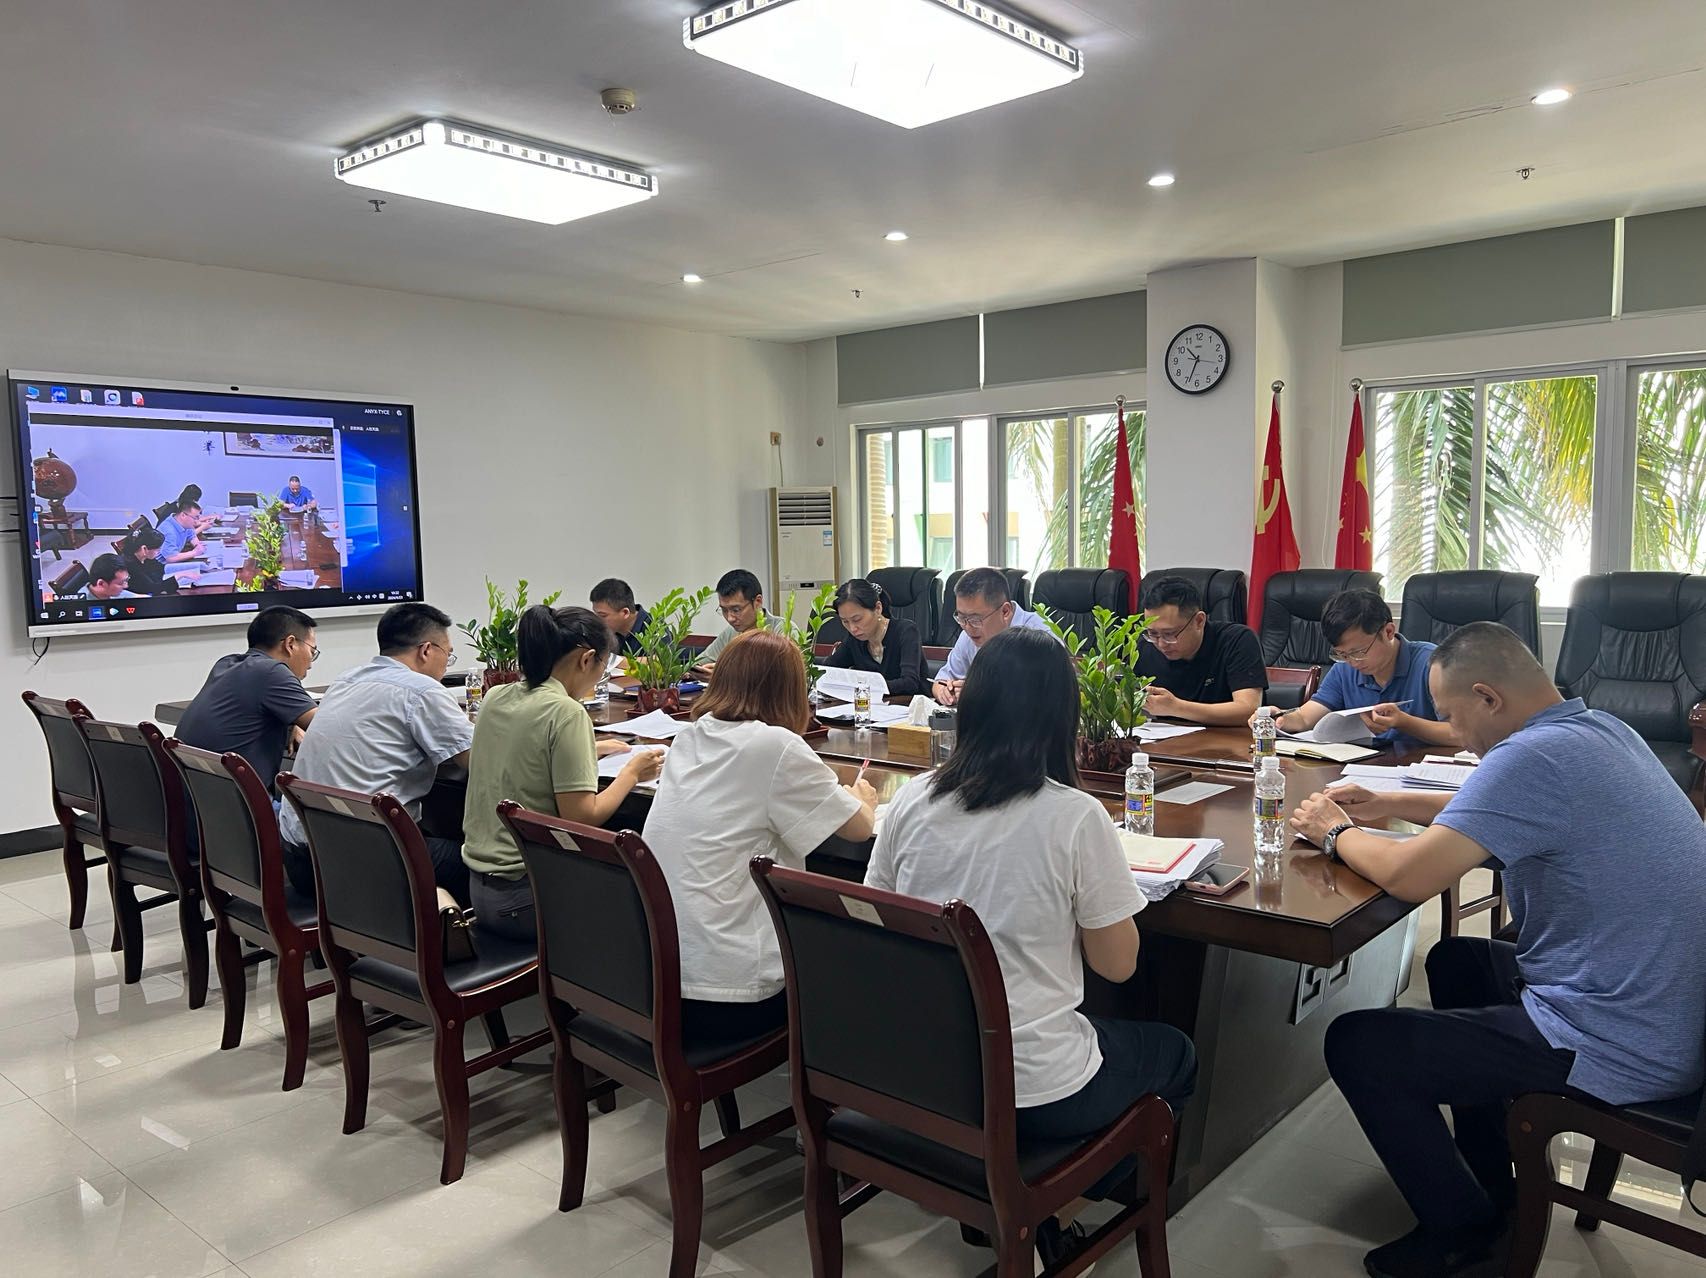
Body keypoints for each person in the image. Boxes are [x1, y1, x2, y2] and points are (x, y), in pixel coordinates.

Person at [1287, 622, 1706, 1278]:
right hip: (1669, 1012)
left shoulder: (1531, 758)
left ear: (1488, 697)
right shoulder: (1600, 730)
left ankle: (1467, 1237)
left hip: (1619, 1039)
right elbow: (1496, 806)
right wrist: (1387, 802)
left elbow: (1411, 876)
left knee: (1360, 1045)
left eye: (1454, 717)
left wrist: (1334, 831)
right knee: (1457, 961)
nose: (1455, 734)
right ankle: (1492, 1178)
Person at [868, 627, 1197, 1265]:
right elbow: (1118, 966)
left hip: (927, 1072)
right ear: (1061, 718)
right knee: (1175, 1056)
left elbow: (883, 920)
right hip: (1033, 1089)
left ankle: (1019, 1209)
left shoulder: (912, 799)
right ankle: (1046, 1214)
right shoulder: (1074, 815)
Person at [646, 630, 877, 1040]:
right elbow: (859, 829)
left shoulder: (690, 735)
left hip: (656, 980)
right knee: (860, 948)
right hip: (731, 995)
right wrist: (863, 799)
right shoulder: (775, 745)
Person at [461, 605, 664, 940]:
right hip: (529, 897)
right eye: (602, 667)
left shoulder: (497, 696)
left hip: (481, 891)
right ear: (587, 659)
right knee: (651, 891)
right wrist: (631, 773)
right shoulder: (566, 712)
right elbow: (582, 817)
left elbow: (523, 750)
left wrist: (590, 749)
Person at [277, 603, 473, 900]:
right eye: (448, 654)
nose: (447, 665)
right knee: (491, 870)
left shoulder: (345, 680)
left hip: (303, 860)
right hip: (363, 866)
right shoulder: (422, 690)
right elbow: (479, 761)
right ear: (426, 650)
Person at [1252, 589, 1457, 748]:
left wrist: (1404, 723)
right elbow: (1306, 717)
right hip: (1363, 770)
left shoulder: (1433, 664)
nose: (1352, 662)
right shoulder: (1343, 670)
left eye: (1358, 652)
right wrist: (1279, 718)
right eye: (1341, 654)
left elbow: (1459, 733)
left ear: (1388, 632)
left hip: (1424, 774)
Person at [176, 606, 318, 792]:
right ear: (290, 644)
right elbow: (326, 728)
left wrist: (293, 720)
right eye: (312, 651)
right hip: (242, 803)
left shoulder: (226, 663)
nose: (311, 664)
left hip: (199, 799)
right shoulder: (272, 672)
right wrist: (297, 717)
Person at [1136, 576, 1267, 725]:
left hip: (1227, 737)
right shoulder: (1144, 647)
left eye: (1169, 634)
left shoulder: (1237, 640)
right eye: (1153, 633)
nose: (1161, 643)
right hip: (1166, 738)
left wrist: (1176, 708)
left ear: (1199, 621)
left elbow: (1249, 709)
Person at [932, 567, 1055, 705]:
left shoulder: (1041, 636)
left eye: (975, 619)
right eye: (961, 617)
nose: (967, 627)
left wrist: (976, 693)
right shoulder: (969, 635)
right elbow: (940, 681)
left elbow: (1048, 695)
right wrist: (945, 691)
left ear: (1005, 612)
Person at [822, 578, 927, 696]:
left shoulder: (906, 631)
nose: (852, 628)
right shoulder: (854, 639)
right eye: (845, 621)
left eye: (857, 619)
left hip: (909, 704)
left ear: (878, 608)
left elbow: (910, 683)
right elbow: (826, 670)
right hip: (870, 706)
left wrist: (863, 687)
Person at [694, 568, 767, 671]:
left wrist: (721, 676)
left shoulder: (781, 631)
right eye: (724, 610)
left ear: (757, 602)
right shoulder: (731, 632)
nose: (730, 618)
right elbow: (701, 661)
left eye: (736, 610)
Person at [589, 578, 652, 657]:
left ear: (625, 613)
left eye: (603, 615)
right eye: (595, 614)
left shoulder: (654, 626)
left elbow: (659, 661)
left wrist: (614, 660)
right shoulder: (605, 629)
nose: (597, 620)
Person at [119, 527, 190, 594]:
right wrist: (179, 575)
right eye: (157, 549)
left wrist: (186, 571)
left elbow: (160, 568)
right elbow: (152, 588)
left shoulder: (145, 557)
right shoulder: (131, 565)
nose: (159, 552)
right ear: (144, 549)